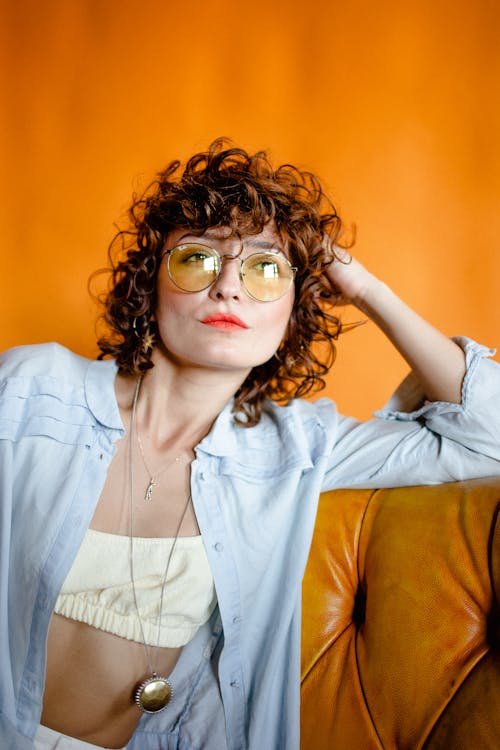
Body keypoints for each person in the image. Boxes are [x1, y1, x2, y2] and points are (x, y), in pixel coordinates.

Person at [1, 139, 499, 750]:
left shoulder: (296, 451)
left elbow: (489, 435)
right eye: (196, 260)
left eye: (266, 269)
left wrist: (364, 286)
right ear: (150, 285)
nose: (229, 288)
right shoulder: (31, 390)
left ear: (295, 310)